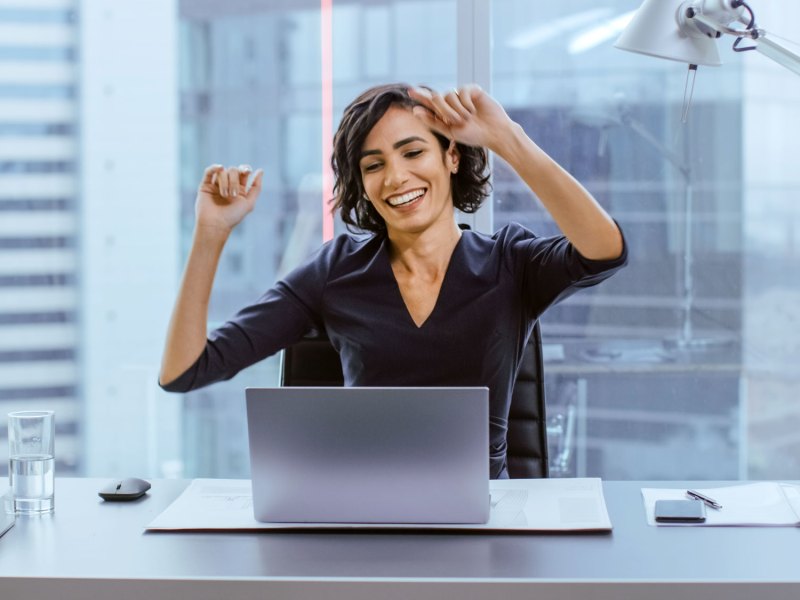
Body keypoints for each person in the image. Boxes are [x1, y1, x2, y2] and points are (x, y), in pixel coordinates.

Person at [159, 83, 627, 479]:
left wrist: (508, 139)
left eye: (412, 151)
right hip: (365, 509)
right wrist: (211, 234)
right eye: (373, 164)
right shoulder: (335, 271)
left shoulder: (509, 261)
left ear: (452, 157)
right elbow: (185, 371)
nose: (396, 177)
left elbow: (605, 250)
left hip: (486, 521)